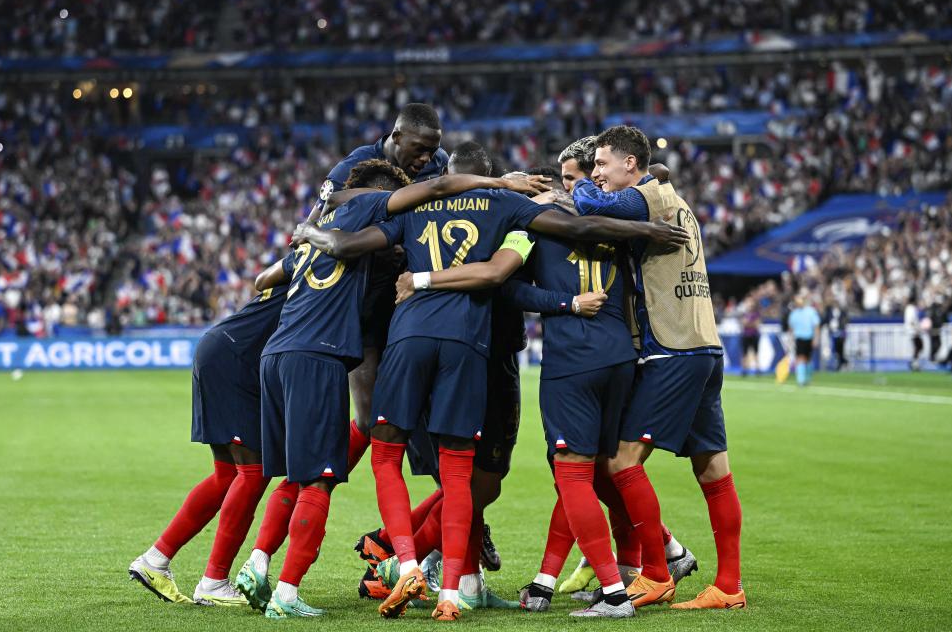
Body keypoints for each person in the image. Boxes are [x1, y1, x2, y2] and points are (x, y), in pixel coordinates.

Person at [293, 142, 690, 620]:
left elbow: (349, 241)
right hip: (475, 346)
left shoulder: (416, 203)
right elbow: (578, 228)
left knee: (387, 453)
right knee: (468, 472)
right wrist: (648, 229)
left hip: (410, 338)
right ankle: (453, 592)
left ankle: (404, 559)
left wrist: (312, 229)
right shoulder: (506, 204)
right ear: (490, 175)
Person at [234, 159, 550, 618]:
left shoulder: (330, 236)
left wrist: (312, 236)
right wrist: (513, 188)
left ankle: (271, 561)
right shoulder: (473, 212)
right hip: (383, 351)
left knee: (312, 471)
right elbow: (495, 269)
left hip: (290, 352)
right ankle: (296, 591)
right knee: (348, 477)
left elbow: (267, 278)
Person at [577, 125, 746, 611]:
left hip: (674, 350)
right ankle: (729, 586)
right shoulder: (671, 198)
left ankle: (655, 571)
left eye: (603, 164)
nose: (597, 174)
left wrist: (582, 187)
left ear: (631, 164)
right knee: (713, 470)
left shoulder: (645, 197)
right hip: (704, 347)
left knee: (620, 461)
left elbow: (591, 206)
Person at [128, 256, 295, 606]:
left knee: (226, 475)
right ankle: (214, 580)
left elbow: (261, 282)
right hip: (235, 360)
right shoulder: (324, 264)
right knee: (253, 471)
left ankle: (155, 560)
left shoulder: (299, 260)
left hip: (219, 347)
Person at [311, 103, 450, 481]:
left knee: (435, 418)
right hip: (365, 303)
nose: (426, 158)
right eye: (418, 149)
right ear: (396, 136)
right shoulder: (352, 170)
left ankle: (457, 526)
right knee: (371, 419)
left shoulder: (440, 163)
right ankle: (316, 491)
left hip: (417, 299)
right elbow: (315, 226)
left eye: (432, 150)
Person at [788, 294, 821, 386]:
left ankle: (807, 378)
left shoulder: (811, 311)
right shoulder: (794, 313)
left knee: (808, 359)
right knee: (800, 358)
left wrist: (816, 338)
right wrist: (790, 339)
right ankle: (801, 380)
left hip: (809, 337)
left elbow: (816, 326)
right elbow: (791, 328)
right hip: (799, 338)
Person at [824, 299, 849, 371]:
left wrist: (843, 330)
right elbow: (826, 320)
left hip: (840, 333)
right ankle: (839, 363)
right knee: (834, 350)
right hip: (832, 333)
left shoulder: (842, 312)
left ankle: (841, 362)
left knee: (840, 350)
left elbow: (846, 320)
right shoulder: (829, 312)